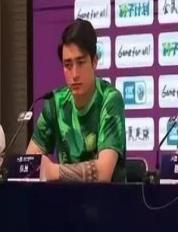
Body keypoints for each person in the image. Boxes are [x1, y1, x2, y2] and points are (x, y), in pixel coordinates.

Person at [27, 19, 126, 182]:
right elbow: (29, 163)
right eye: (68, 65)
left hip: (107, 198)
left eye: (80, 63)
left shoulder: (110, 99)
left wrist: (52, 171)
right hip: (64, 198)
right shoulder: (55, 102)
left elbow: (104, 172)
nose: (74, 74)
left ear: (94, 61)